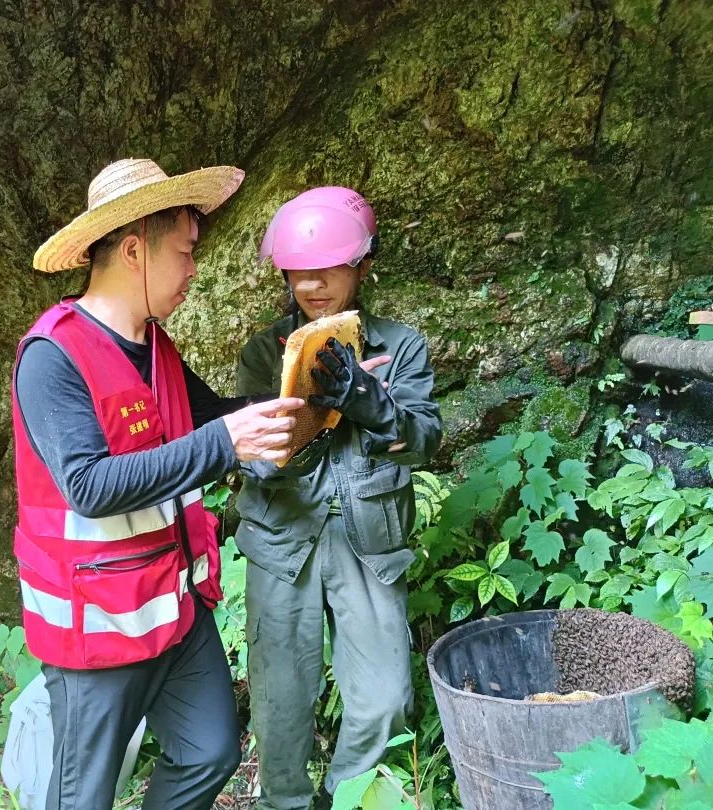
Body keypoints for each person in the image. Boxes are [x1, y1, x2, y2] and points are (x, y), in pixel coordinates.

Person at [11, 157, 304, 810]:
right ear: (136, 250)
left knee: (210, 750)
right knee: (81, 798)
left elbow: (215, 421)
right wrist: (225, 443)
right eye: (186, 251)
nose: (195, 269)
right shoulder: (51, 357)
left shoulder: (156, 344)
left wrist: (310, 397)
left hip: (171, 607)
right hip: (95, 630)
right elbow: (89, 486)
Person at [235, 186, 443, 809]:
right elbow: (246, 452)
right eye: (300, 272)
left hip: (369, 540)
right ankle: (286, 804)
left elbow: (425, 439)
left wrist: (369, 401)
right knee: (279, 708)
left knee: (384, 701)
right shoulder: (262, 352)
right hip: (281, 538)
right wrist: (296, 426)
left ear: (363, 265)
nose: (313, 285)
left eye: (328, 269)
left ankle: (345, 796)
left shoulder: (399, 346)